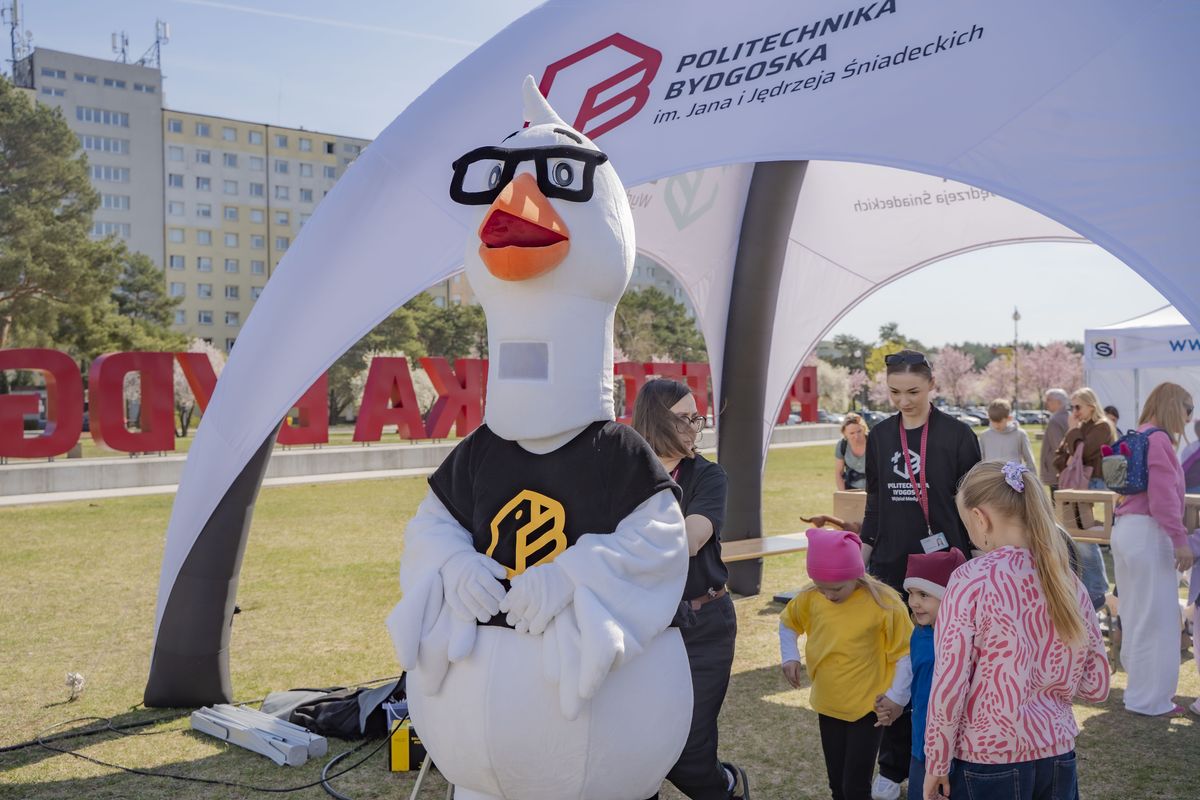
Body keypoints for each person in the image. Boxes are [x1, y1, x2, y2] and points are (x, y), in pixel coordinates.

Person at [923, 461, 1110, 800]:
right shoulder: (1068, 581)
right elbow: (1096, 686)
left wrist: (936, 761)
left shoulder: (970, 580)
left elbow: (949, 683)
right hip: (1057, 752)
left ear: (980, 518)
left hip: (986, 758)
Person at [859, 349, 980, 800]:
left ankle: (946, 760)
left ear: (932, 386)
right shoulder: (879, 435)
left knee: (943, 669)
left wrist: (978, 563)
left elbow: (975, 507)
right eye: (894, 392)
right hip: (891, 569)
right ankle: (892, 766)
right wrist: (862, 561)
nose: (904, 401)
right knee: (897, 667)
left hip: (946, 571)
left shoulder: (958, 435)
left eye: (913, 391)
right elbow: (875, 503)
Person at [632, 378, 749, 800]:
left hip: (702, 624)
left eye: (696, 417)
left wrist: (620, 551)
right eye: (684, 417)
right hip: (641, 624)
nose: (694, 427)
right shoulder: (623, 472)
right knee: (635, 747)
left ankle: (728, 786)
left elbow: (692, 538)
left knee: (689, 752)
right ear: (655, 420)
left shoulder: (707, 475)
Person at [780, 529, 913, 800]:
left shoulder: (884, 603)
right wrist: (790, 656)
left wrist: (897, 697)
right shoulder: (810, 598)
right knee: (837, 785)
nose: (829, 595)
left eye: (837, 588)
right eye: (821, 587)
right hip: (829, 703)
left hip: (867, 708)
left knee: (855, 788)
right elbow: (787, 623)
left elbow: (905, 653)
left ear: (856, 573)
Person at [1110, 381, 1197, 716]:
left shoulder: (1140, 434)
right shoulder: (1159, 440)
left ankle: (1140, 693)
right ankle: (1150, 700)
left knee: (1135, 614)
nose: (1189, 418)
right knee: (1157, 618)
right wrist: (1180, 540)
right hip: (1148, 533)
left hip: (1125, 530)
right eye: (1188, 409)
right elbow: (1163, 499)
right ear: (1174, 406)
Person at [876, 549, 966, 800]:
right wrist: (895, 701)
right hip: (921, 744)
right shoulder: (918, 634)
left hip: (957, 749)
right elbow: (912, 671)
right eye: (911, 593)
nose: (914, 602)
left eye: (924, 595)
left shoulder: (965, 639)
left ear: (950, 596)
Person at [1052, 386, 1117, 611]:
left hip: (1094, 486)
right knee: (1077, 538)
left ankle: (1097, 589)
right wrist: (1073, 447)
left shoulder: (1102, 426)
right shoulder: (1080, 428)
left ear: (1091, 405)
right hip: (1078, 487)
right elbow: (1058, 458)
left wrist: (1072, 433)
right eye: (1072, 407)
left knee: (1088, 538)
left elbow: (1087, 451)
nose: (1075, 412)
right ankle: (1091, 589)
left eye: (1078, 407)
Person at [977, 398, 1036, 468]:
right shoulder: (984, 436)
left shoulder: (1020, 434)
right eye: (993, 421)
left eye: (999, 422)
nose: (996, 426)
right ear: (989, 418)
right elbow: (980, 462)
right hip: (991, 474)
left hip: (1014, 474)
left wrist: (1031, 474)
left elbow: (1029, 460)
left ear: (1009, 418)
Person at [1040, 389, 1070, 490]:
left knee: (1057, 499)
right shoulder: (1068, 416)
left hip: (1056, 471)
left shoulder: (1055, 421)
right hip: (1067, 469)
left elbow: (1057, 447)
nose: (1046, 403)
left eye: (1049, 400)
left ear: (1058, 402)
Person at [836, 413, 869, 491]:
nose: (856, 436)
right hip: (851, 489)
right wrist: (843, 494)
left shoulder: (874, 442)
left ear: (864, 429)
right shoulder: (842, 445)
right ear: (844, 433)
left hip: (873, 490)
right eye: (852, 433)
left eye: (859, 431)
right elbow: (839, 473)